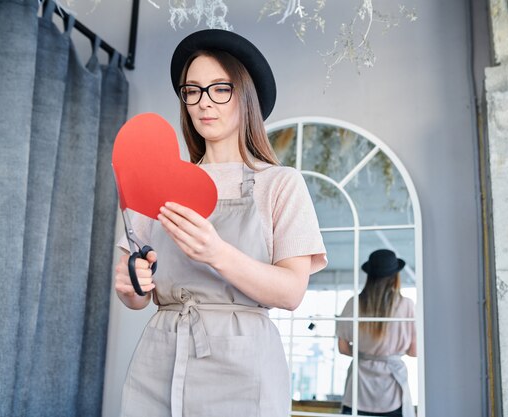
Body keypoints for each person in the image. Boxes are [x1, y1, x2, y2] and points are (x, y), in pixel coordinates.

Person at [113, 29, 327, 417]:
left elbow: (291, 292)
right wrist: (131, 286)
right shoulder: (157, 181)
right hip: (158, 361)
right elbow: (138, 295)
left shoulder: (280, 184)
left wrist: (216, 253)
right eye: (192, 90)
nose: (203, 103)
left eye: (219, 89)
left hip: (244, 370)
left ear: (245, 95)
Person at [336, 249, 417, 417]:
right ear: (395, 276)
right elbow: (414, 351)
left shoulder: (353, 304)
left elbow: (343, 348)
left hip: (358, 389)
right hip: (392, 391)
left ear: (370, 275)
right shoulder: (407, 305)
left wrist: (365, 355)